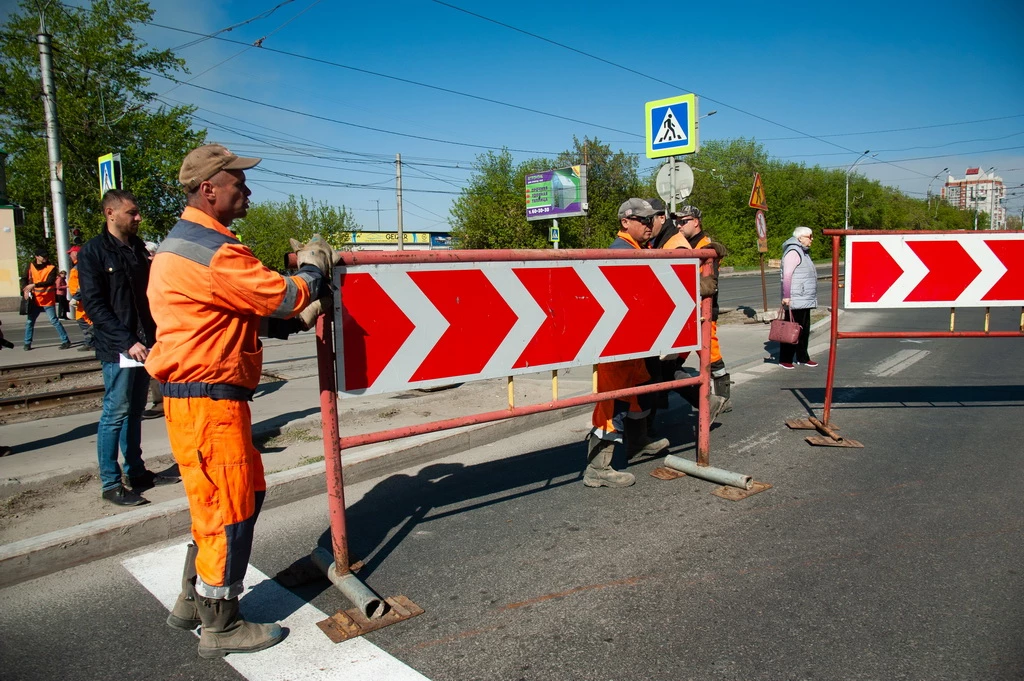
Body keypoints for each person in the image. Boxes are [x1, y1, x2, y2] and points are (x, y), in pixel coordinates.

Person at [147, 144, 332, 658]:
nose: (246, 191)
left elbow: (234, 314)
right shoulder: (211, 249)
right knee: (227, 511)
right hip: (209, 403)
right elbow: (282, 295)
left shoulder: (188, 243)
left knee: (235, 499)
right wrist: (313, 270)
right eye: (238, 183)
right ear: (210, 189)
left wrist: (284, 319)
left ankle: (191, 600)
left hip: (207, 401)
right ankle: (222, 626)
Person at [79, 189, 179, 507]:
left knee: (135, 412)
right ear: (110, 213)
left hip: (144, 346)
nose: (138, 218)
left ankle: (137, 472)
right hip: (118, 348)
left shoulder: (137, 249)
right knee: (115, 413)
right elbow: (95, 306)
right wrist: (127, 342)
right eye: (131, 212)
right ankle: (111, 482)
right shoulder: (93, 252)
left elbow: (149, 297)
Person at [584, 198, 670, 489]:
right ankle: (598, 469)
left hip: (631, 349)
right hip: (616, 350)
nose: (650, 225)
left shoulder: (636, 250)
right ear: (625, 222)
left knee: (635, 397)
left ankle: (638, 442)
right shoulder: (620, 252)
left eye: (651, 220)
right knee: (612, 406)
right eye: (644, 220)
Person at [778, 226, 818, 369]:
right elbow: (787, 275)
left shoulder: (803, 251)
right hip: (796, 298)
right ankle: (785, 359)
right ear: (800, 238)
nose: (812, 239)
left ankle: (802, 357)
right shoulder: (793, 252)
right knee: (791, 329)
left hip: (804, 298)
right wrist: (786, 296)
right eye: (810, 236)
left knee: (803, 329)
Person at [21, 248, 71, 350]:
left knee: (54, 321)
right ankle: (27, 343)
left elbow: (50, 281)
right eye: (43, 256)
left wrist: (33, 285)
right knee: (30, 322)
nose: (45, 258)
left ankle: (65, 341)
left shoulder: (51, 267)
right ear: (37, 257)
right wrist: (25, 290)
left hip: (47, 300)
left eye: (46, 256)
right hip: (34, 300)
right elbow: (23, 279)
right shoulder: (30, 266)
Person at [66, 245, 95, 351]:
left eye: (70, 253)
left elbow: (82, 284)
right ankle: (91, 342)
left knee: (86, 321)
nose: (70, 256)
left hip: (82, 300)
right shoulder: (79, 266)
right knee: (84, 320)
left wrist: (76, 297)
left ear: (76, 254)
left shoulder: (80, 266)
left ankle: (92, 342)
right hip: (81, 299)